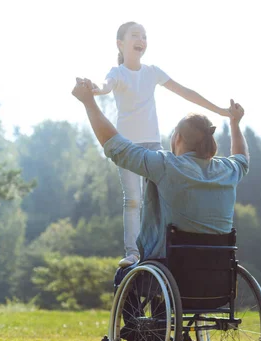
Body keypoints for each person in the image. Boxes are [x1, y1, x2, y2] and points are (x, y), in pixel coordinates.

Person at [93, 21, 232, 267]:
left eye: (144, 36)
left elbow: (186, 92)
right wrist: (93, 90)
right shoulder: (117, 73)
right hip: (127, 147)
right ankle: (133, 252)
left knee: (159, 199)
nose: (141, 40)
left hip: (153, 145)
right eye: (135, 35)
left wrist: (220, 111)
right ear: (120, 43)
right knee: (133, 199)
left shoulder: (152, 72)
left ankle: (158, 248)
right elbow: (104, 87)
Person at [72, 78, 248, 266]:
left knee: (122, 275)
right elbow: (242, 159)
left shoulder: (166, 165)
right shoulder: (228, 170)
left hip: (171, 269)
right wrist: (234, 123)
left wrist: (89, 102)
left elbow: (117, 148)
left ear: (178, 138)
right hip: (217, 275)